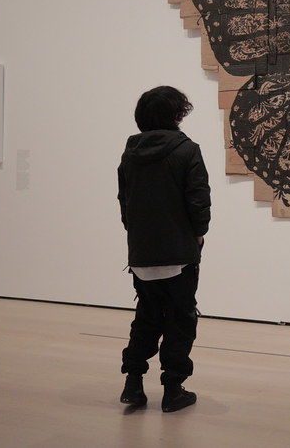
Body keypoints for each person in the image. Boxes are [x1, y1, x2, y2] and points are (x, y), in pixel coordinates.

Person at [117, 86, 211, 412]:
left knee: (146, 316)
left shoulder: (130, 153)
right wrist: (199, 233)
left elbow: (125, 204)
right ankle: (173, 389)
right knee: (180, 319)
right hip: (179, 254)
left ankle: (133, 383)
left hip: (142, 254)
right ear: (176, 114)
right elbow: (198, 199)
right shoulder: (187, 150)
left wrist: (139, 237)